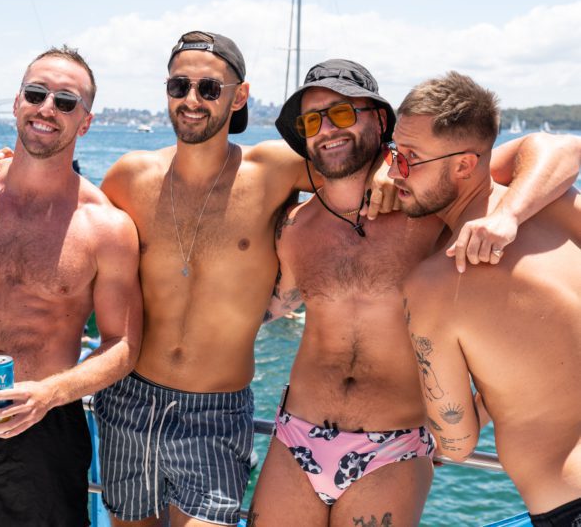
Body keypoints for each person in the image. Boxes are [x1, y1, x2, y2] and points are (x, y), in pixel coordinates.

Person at [0, 36, 574, 527]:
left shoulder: (382, 193)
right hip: (154, 408)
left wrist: (505, 214)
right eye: (180, 86)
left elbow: (545, 151)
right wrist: (5, 162)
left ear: (238, 96)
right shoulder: (138, 177)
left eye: (209, 87)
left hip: (266, 418)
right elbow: (70, 203)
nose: (193, 98)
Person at [248, 59, 581, 527]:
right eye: (311, 121)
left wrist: (507, 216)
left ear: (380, 122)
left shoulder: (433, 206)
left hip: (393, 446)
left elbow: (561, 148)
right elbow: (266, 309)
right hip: (295, 435)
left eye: (342, 113)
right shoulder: (295, 228)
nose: (326, 130)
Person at [0, 46, 143, 527]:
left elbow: (123, 345)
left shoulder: (105, 228)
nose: (48, 108)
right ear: (17, 103)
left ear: (84, 122)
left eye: (66, 102)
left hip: (46, 429)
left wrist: (50, 393)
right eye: (36, 93)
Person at [392, 72, 581, 527]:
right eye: (393, 154)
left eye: (409, 159)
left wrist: (492, 397)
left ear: (463, 166)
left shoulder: (436, 283)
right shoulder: (557, 204)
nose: (393, 171)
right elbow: (561, 147)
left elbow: (456, 443)